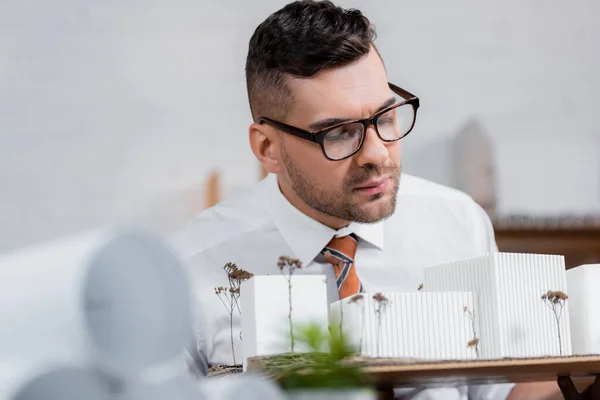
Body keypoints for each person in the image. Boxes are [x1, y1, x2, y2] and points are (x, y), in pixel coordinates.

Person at [170, 1, 595, 399]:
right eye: (338, 133)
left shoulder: (458, 223)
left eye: (385, 117)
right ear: (267, 149)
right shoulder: (189, 267)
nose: (376, 154)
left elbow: (502, 392)